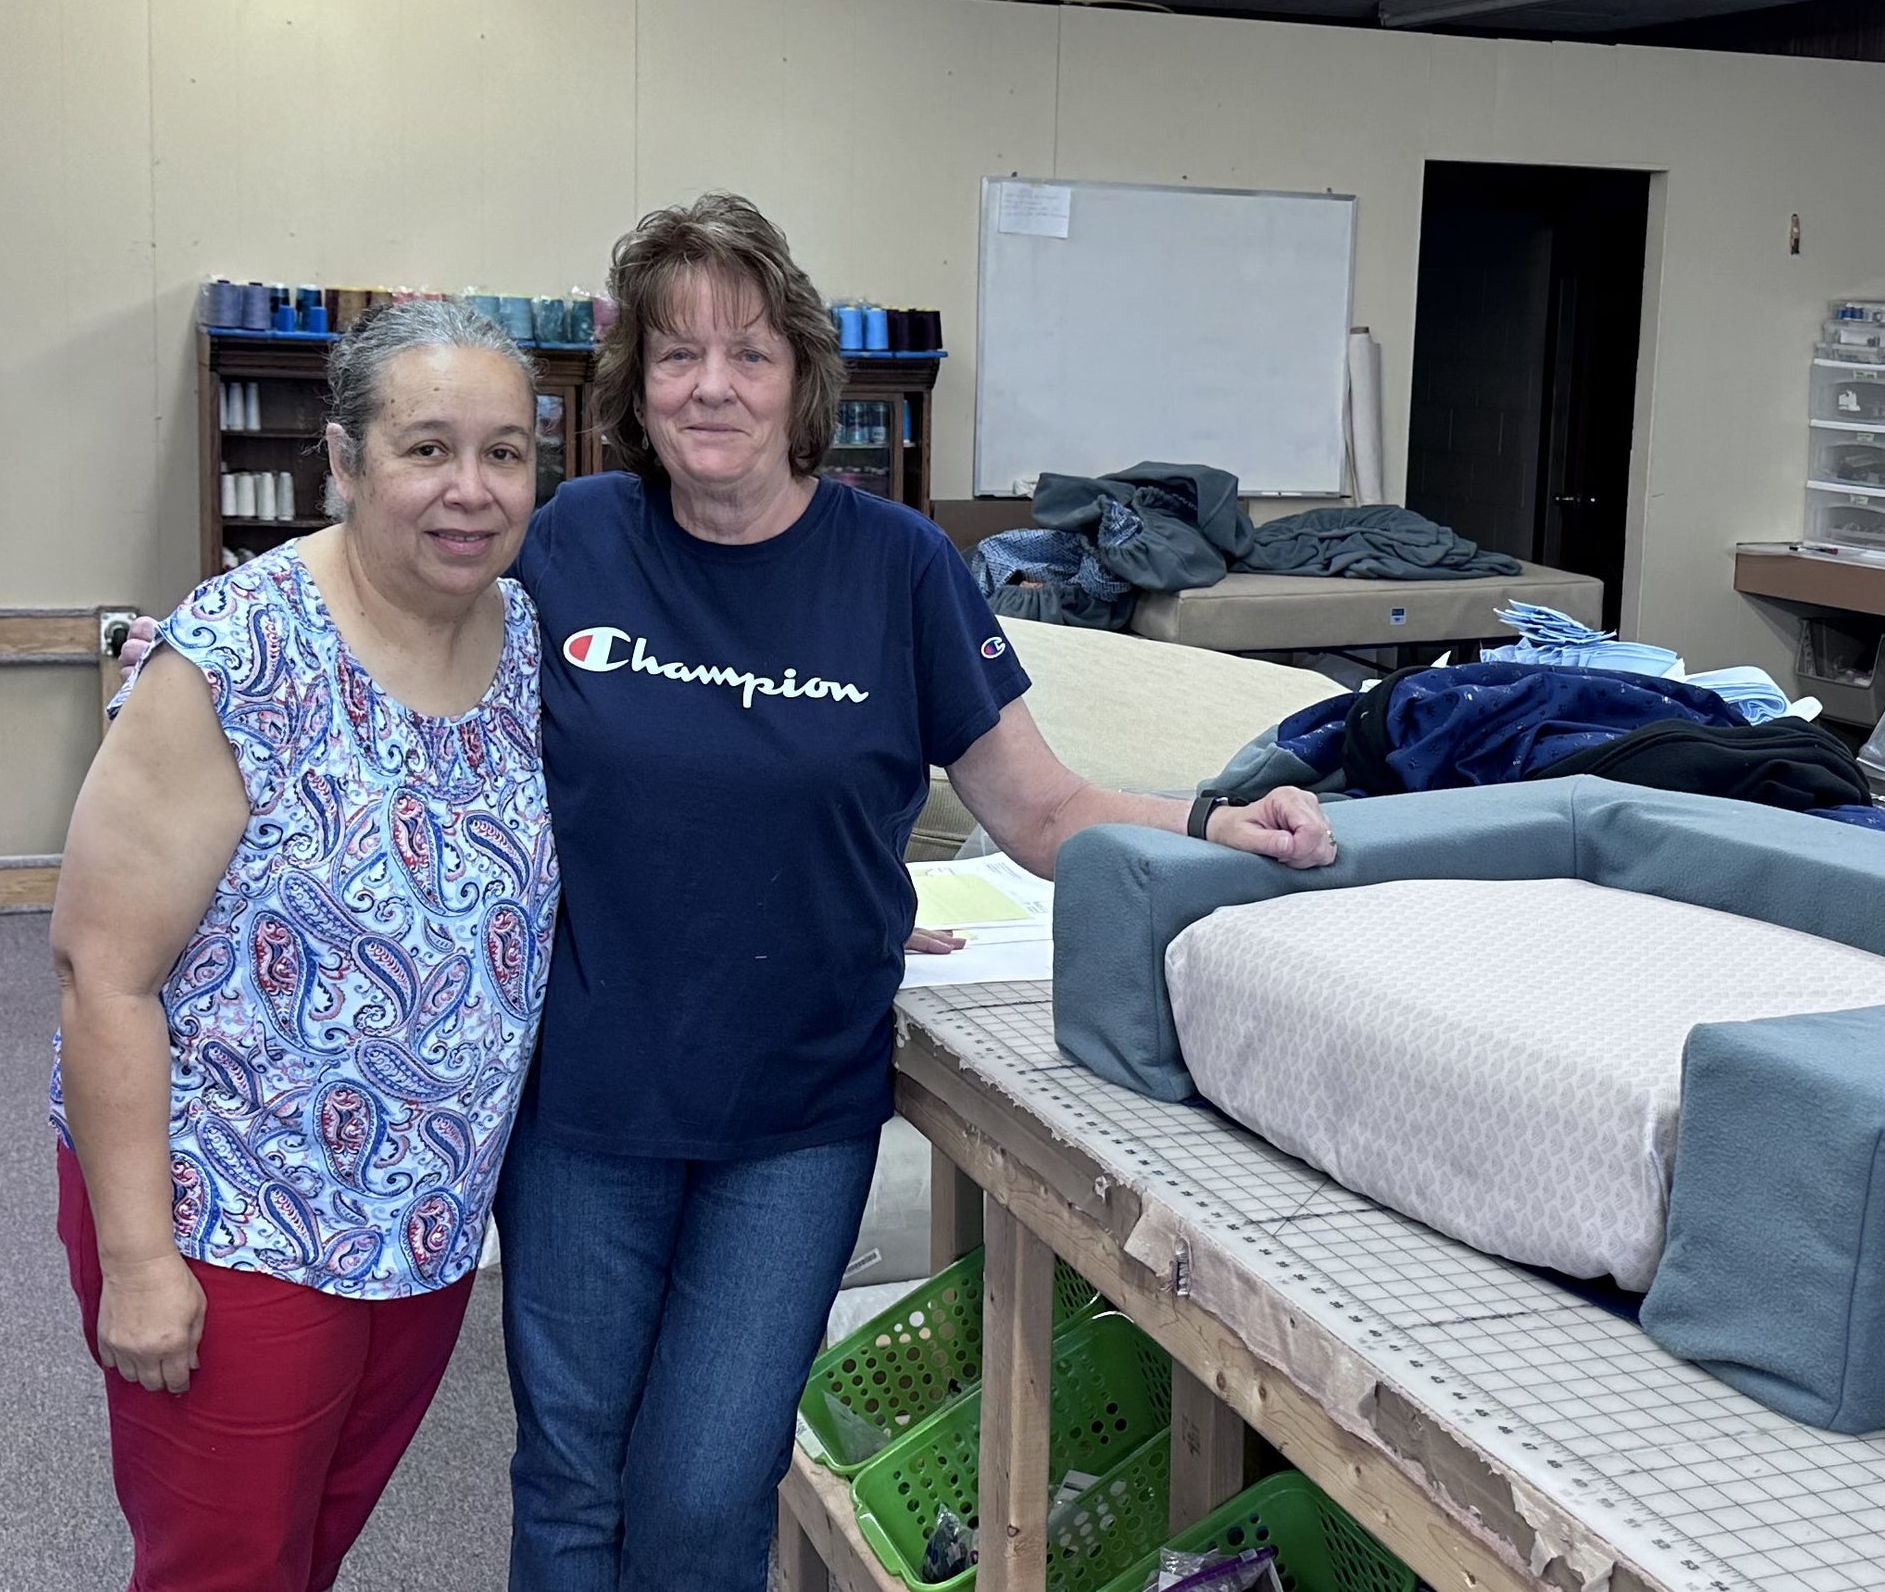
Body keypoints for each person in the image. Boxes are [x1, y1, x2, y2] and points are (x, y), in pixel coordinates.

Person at [498, 194, 1335, 1592]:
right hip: (588, 1105)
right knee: (573, 1482)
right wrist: (230, 639)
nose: (713, 386)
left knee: (705, 1493)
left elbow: (1041, 808)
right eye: (677, 354)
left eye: (750, 353)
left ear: (801, 379)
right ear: (634, 384)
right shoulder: (574, 540)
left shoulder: (896, 568)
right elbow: (401, 614)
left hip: (793, 1114)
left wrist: (1212, 818)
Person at [52, 296, 558, 1592]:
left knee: (310, 1545)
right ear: (341, 462)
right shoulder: (236, 654)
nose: (471, 488)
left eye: (505, 452)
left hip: (422, 1225)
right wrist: (140, 1261)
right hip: (234, 1220)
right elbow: (100, 972)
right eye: (426, 448)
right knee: (222, 1565)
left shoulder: (520, 646)